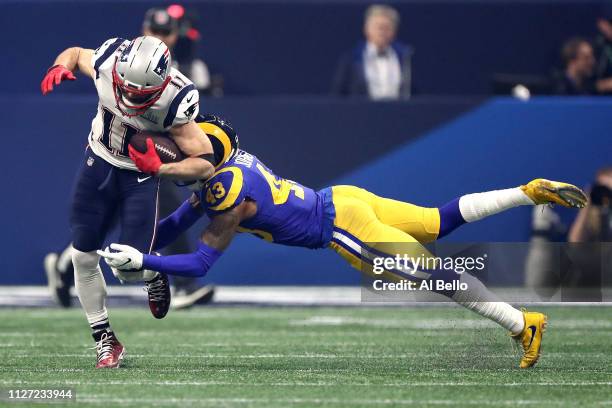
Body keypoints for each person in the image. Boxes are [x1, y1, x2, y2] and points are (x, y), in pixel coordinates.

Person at [98, 129, 587, 368]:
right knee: (436, 222)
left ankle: (524, 324)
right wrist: (137, 241)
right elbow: (178, 219)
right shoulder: (225, 172)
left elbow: (202, 261)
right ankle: (527, 190)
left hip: (340, 227)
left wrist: (145, 261)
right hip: (344, 198)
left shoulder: (230, 197)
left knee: (434, 277)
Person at [40, 35, 216, 368]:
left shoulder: (175, 98)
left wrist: (163, 167)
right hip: (98, 163)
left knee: (128, 268)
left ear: (160, 85)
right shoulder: (108, 61)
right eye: (126, 88)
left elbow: (205, 161)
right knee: (82, 256)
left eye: (140, 93)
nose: (129, 97)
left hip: (139, 178)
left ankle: (153, 274)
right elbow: (76, 52)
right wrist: (61, 64)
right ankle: (104, 339)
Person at [332, 4, 413, 100]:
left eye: (386, 27)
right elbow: (338, 95)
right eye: (378, 27)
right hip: (361, 113)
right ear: (366, 29)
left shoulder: (405, 57)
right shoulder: (352, 59)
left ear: (394, 31)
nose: (382, 32)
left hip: (398, 113)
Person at [144, 6, 211, 93]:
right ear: (145, 30)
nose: (160, 37)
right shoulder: (126, 60)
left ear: (175, 34)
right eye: (155, 31)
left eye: (166, 32)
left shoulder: (194, 69)